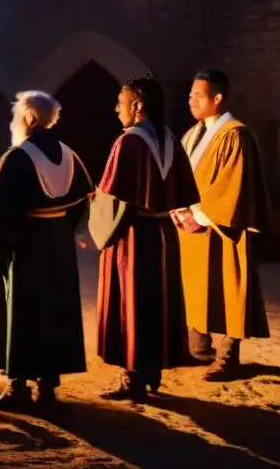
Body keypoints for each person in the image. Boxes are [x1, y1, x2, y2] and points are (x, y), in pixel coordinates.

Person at [0, 91, 93, 410]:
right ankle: (47, 385)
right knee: (54, 312)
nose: (14, 122)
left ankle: (18, 386)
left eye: (17, 115)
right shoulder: (70, 156)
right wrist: (67, 232)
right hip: (59, 246)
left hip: (26, 248)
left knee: (24, 313)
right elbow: (83, 206)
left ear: (30, 118)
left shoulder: (16, 157)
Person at [91, 77, 200, 401]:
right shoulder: (169, 139)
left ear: (137, 105)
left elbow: (111, 196)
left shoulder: (128, 143)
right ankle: (153, 371)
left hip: (133, 235)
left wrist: (93, 228)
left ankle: (133, 379)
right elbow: (181, 192)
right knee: (159, 301)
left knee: (133, 302)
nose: (116, 108)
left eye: (121, 102)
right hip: (164, 233)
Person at [173, 69, 270, 380]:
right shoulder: (192, 134)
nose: (192, 101)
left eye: (199, 96)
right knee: (195, 286)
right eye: (190, 96)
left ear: (217, 98)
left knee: (230, 287)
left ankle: (228, 356)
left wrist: (198, 217)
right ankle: (198, 349)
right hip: (191, 230)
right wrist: (177, 209)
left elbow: (232, 186)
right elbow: (180, 176)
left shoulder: (235, 134)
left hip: (224, 229)